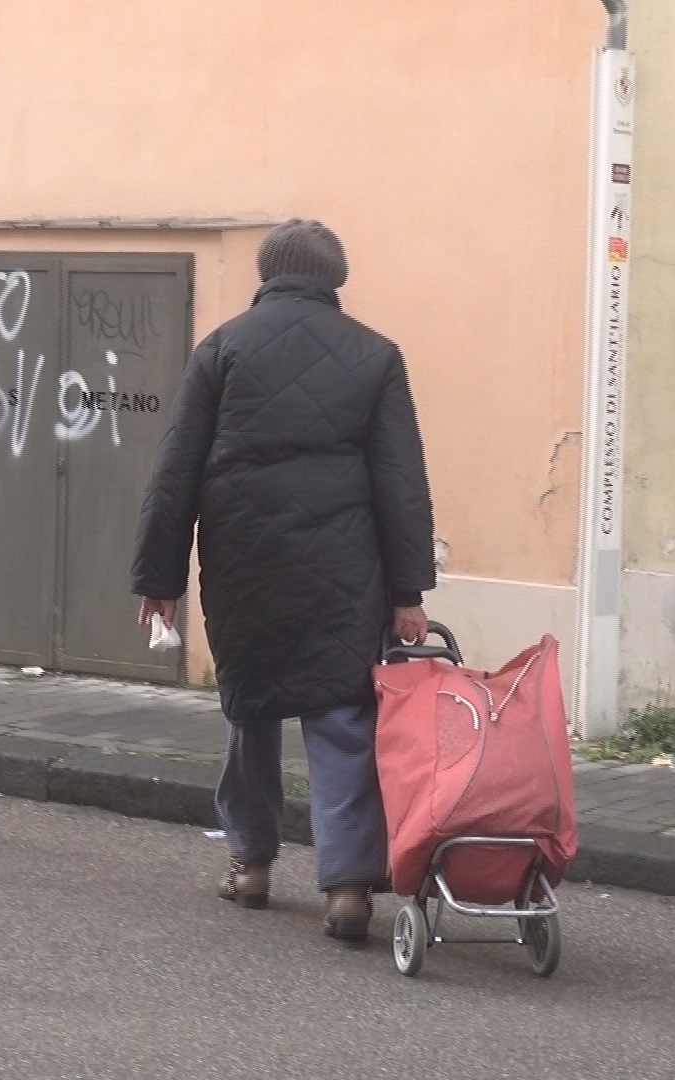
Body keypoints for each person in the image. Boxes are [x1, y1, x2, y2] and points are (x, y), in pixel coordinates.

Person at [130, 219, 436, 947]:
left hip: (244, 560)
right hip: (342, 568)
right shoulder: (375, 355)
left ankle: (251, 864)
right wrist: (407, 594)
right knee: (341, 720)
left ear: (268, 273)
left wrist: (159, 578)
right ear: (336, 278)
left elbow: (176, 471)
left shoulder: (223, 349)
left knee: (251, 711)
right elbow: (401, 484)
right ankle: (348, 886)